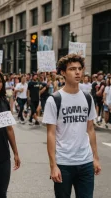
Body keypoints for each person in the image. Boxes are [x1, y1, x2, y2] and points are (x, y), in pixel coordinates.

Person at [43, 54, 101, 198]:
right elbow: (51, 133)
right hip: (63, 163)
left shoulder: (87, 98)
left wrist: (95, 158)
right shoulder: (54, 100)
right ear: (63, 73)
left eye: (80, 69)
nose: (77, 72)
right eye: (72, 69)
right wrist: (53, 165)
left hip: (85, 161)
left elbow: (90, 129)